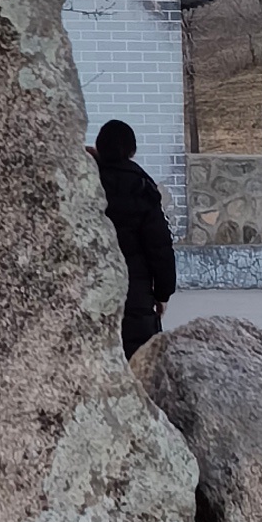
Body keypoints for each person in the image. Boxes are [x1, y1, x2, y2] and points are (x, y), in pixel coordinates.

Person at [92, 116, 175, 357]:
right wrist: (162, 293)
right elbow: (159, 247)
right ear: (132, 150)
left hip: (93, 291)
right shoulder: (142, 187)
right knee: (138, 367)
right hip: (134, 294)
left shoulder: (87, 183)